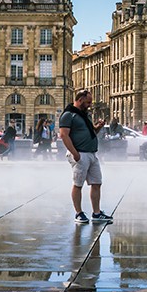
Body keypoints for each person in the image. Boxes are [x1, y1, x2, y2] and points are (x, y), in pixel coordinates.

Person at [59, 90, 112, 225]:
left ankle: (96, 213)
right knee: (78, 184)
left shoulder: (84, 115)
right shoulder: (68, 115)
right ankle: (79, 213)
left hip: (92, 154)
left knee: (97, 183)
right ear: (80, 99)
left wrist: (98, 127)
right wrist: (75, 153)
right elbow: (64, 135)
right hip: (80, 153)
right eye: (88, 102)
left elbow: (91, 131)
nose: (89, 105)